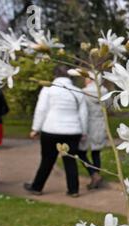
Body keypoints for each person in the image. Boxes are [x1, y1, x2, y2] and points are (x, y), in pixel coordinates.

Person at [24, 65, 88, 197]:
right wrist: (84, 131)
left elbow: (41, 110)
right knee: (70, 160)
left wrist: (35, 129)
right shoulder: (78, 91)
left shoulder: (48, 90)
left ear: (55, 75)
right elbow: (83, 114)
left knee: (47, 159)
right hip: (73, 130)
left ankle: (37, 187)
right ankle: (73, 190)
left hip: (51, 130)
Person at [77, 78, 108, 189]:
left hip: (87, 123)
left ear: (91, 80)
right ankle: (96, 176)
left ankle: (93, 174)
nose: (84, 80)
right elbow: (108, 106)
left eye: (86, 78)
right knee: (96, 152)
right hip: (100, 123)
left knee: (80, 152)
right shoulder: (104, 92)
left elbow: (81, 109)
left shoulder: (82, 92)